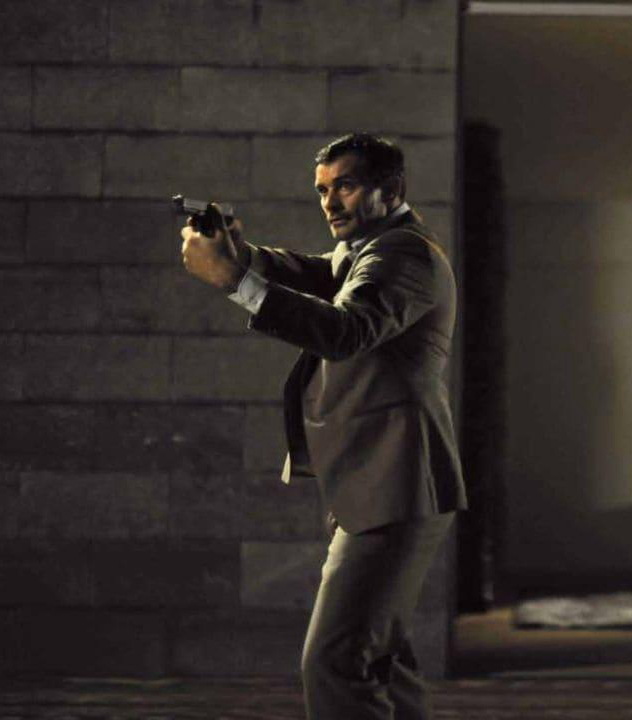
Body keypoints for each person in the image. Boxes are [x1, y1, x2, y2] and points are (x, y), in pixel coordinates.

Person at [181, 132, 466, 719]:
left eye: (346, 186)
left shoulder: (402, 255)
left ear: (392, 189)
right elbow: (318, 272)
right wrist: (245, 255)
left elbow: (346, 330)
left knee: (335, 662)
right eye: (322, 190)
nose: (330, 203)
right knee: (380, 659)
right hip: (383, 481)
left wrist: (236, 281)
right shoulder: (373, 248)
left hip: (396, 483)